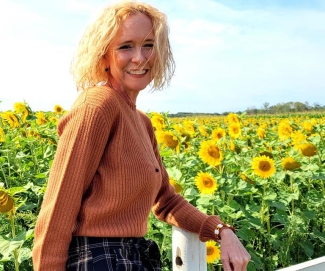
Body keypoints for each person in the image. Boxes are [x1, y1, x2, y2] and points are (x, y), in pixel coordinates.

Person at [32, 1, 251, 270]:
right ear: (103, 56)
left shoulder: (141, 121)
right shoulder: (96, 106)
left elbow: (167, 202)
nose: (139, 57)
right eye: (126, 46)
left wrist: (221, 230)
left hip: (132, 257)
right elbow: (58, 208)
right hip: (97, 260)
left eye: (148, 45)